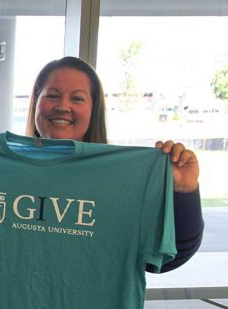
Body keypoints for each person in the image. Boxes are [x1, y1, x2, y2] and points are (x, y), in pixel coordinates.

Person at [25, 56, 203, 272]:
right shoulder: (1, 172)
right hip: (10, 306)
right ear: (36, 102)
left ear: (94, 109)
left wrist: (184, 191)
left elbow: (168, 257)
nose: (63, 106)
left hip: (91, 306)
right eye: (52, 96)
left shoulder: (123, 179)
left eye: (77, 99)